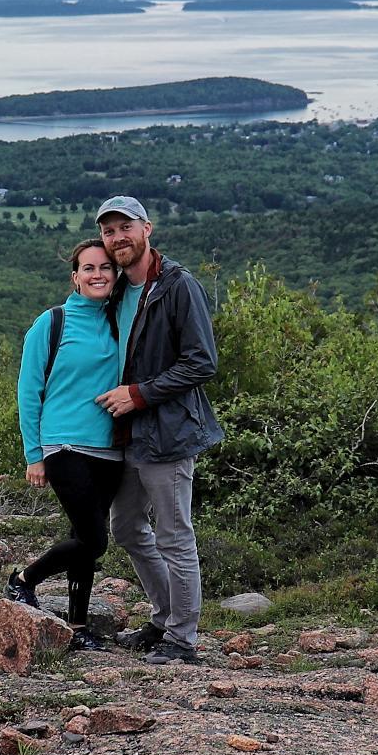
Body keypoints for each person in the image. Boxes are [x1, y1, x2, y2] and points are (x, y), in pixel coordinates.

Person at [93, 193, 222, 665]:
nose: (117, 237)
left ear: (147, 229)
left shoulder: (177, 285)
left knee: (173, 535)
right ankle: (165, 616)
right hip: (125, 435)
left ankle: (182, 640)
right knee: (126, 527)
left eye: (125, 227)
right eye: (109, 231)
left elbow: (201, 362)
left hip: (165, 432)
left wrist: (139, 394)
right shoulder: (116, 290)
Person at [4, 237, 127, 649]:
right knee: (94, 539)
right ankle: (23, 580)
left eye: (105, 268)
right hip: (63, 445)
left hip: (110, 449)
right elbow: (28, 390)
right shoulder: (52, 322)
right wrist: (33, 454)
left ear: (116, 273)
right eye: (88, 268)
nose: (97, 275)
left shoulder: (121, 320)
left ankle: (77, 629)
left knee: (83, 540)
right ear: (75, 277)